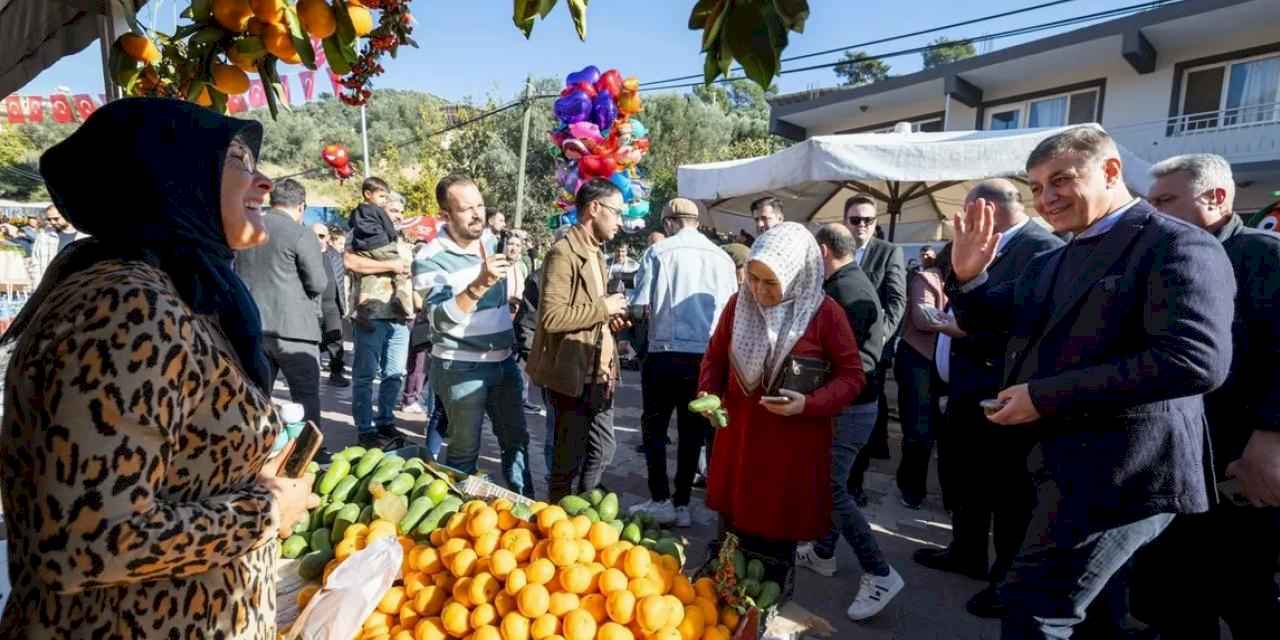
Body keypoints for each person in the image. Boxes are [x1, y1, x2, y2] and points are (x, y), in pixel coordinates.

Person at [0, 97, 314, 637]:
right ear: (171, 176)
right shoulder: (125, 306)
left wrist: (240, 477)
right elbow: (87, 539)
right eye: (238, 161)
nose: (264, 182)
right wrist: (263, 515)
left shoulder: (171, 287)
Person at [946, 127, 1234, 638]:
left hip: (1129, 473)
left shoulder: (1175, 242)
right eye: (1036, 187)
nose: (1047, 197)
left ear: (1111, 171)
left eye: (1061, 180)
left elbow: (1194, 360)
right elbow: (989, 316)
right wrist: (968, 277)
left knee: (1033, 607)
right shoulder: (1053, 258)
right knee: (1097, 619)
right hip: (1060, 466)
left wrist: (1044, 395)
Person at [1129, 153, 1280, 639]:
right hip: (1175, 460)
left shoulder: (1262, 255)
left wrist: (1270, 439)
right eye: (1149, 202)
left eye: (1165, 200)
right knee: (1172, 593)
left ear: (1215, 198)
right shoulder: (1164, 261)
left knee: (1242, 591)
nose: (1153, 213)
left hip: (1237, 463)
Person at [916, 180, 1064, 619]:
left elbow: (1025, 320)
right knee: (965, 479)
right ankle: (965, 551)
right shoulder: (990, 247)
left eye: (966, 213)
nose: (962, 224)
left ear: (985, 210)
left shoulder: (1043, 248)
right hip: (965, 386)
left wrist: (964, 326)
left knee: (1009, 492)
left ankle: (1006, 581)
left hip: (1005, 390)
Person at [695, 222, 866, 599]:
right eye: (753, 278)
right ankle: (725, 604)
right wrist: (709, 393)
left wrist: (810, 403)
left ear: (797, 275)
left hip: (790, 450)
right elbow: (715, 357)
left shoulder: (826, 315)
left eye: (770, 282)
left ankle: (766, 607)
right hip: (739, 441)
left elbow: (852, 376)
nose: (758, 290)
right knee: (731, 533)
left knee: (773, 548)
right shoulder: (739, 305)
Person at [792, 222, 904, 620]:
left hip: (852, 407)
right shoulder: (848, 283)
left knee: (830, 490)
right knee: (832, 483)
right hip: (853, 404)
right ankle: (823, 552)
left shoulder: (845, 291)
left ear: (822, 251)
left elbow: (854, 362)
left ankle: (880, 572)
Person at [417, 174, 533, 496]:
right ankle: (457, 527)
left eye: (480, 205)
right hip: (460, 367)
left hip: (504, 364)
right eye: (466, 209)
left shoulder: (492, 243)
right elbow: (439, 320)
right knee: (464, 453)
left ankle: (527, 511)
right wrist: (479, 283)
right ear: (445, 215)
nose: (477, 214)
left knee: (518, 443)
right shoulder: (429, 257)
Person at [627, 198, 738, 527]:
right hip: (705, 356)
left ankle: (660, 497)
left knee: (656, 428)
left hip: (664, 352)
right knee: (692, 431)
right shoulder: (722, 257)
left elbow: (639, 305)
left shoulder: (659, 252)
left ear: (671, 222)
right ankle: (682, 503)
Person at [528, 179, 630, 501]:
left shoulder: (596, 252)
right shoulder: (563, 253)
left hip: (598, 374)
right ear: (594, 208)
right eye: (616, 212)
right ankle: (557, 519)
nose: (620, 221)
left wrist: (609, 319)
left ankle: (585, 508)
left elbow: (586, 313)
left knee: (603, 448)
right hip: (570, 375)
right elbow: (552, 317)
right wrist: (604, 307)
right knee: (565, 461)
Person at [234, 178, 329, 427]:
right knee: (305, 396)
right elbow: (318, 283)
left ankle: (255, 449)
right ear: (301, 206)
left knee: (255, 396)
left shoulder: (248, 226)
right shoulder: (300, 233)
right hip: (295, 331)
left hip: (253, 326)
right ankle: (308, 454)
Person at [843, 196, 907, 506]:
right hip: (835, 351)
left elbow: (897, 302)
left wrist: (878, 341)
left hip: (869, 356)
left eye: (868, 220)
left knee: (863, 420)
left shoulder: (888, 252)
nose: (862, 226)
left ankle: (855, 484)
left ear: (876, 222)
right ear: (846, 221)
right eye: (856, 220)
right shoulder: (837, 251)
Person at [344, 177, 413, 448]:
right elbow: (350, 261)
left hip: (400, 315)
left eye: (399, 212)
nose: (396, 215)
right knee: (364, 374)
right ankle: (365, 427)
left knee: (394, 374)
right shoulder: (362, 232)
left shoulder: (400, 237)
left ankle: (386, 421)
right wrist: (392, 266)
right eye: (392, 209)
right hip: (370, 312)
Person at [893, 246, 956, 511]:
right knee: (919, 432)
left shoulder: (978, 280)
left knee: (950, 435)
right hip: (918, 361)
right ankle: (911, 489)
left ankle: (952, 496)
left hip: (952, 364)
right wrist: (965, 324)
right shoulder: (927, 278)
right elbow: (922, 318)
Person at [319, 225, 350, 386]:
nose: (320, 239)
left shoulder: (335, 256)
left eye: (322, 236)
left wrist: (343, 305)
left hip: (332, 304)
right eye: (316, 235)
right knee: (313, 340)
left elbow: (341, 280)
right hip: (312, 304)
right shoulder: (307, 253)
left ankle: (336, 372)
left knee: (336, 340)